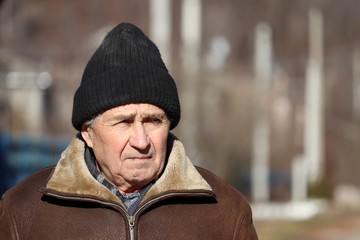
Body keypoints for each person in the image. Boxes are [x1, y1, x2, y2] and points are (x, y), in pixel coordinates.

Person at [0, 22, 258, 239]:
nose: (141, 140)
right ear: (88, 133)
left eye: (153, 121)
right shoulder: (23, 212)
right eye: (124, 122)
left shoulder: (225, 212)